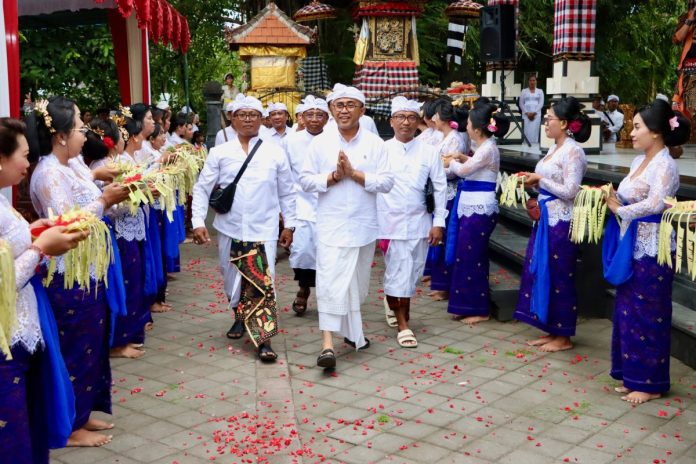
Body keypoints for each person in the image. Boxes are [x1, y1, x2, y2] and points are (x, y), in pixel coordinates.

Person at [27, 96, 130, 446]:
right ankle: (69, 425)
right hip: (68, 272)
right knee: (75, 345)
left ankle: (83, 413)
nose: (86, 136)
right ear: (60, 135)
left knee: (91, 344)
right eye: (80, 128)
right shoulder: (49, 174)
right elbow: (67, 223)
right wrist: (104, 201)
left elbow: (91, 198)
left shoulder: (72, 166)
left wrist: (106, 190)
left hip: (89, 268)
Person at [0, 117, 88, 462]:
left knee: (28, 428)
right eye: (22, 155)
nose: (27, 163)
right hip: (7, 337)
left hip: (22, 331)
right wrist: (40, 249)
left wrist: (34, 231)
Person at [191, 94, 297, 362]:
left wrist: (291, 224)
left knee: (263, 282)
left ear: (262, 119)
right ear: (232, 119)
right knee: (232, 280)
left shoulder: (275, 151)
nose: (248, 119)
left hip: (264, 229)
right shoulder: (219, 152)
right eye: (242, 114)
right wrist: (197, 222)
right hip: (230, 227)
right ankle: (239, 315)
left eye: (253, 114)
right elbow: (202, 188)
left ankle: (263, 339)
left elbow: (287, 192)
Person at [299, 84, 394, 369]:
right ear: (331, 110)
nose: (343, 110)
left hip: (364, 226)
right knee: (329, 284)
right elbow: (304, 180)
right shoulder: (319, 144)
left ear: (362, 110)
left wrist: (355, 174)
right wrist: (332, 177)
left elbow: (388, 182)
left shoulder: (376, 144)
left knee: (356, 285)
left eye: (350, 105)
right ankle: (327, 345)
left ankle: (354, 334)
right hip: (331, 226)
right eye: (338, 105)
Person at [604, 99, 690, 404]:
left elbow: (656, 204)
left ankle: (651, 382)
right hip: (632, 243)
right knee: (628, 312)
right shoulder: (636, 162)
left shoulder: (665, 164)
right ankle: (632, 374)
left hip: (653, 246)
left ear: (655, 132)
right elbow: (630, 196)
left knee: (649, 312)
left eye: (638, 126)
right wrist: (613, 198)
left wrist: (620, 209)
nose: (633, 130)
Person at [512, 97, 590, 352]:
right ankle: (549, 327)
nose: (545, 122)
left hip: (561, 221)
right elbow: (547, 180)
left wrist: (540, 180)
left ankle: (563, 335)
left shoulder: (573, 151)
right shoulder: (554, 148)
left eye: (550, 119)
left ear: (565, 123)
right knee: (541, 270)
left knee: (560, 274)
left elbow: (571, 190)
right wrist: (533, 181)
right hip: (545, 218)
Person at [377, 97, 446, 348]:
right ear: (391, 121)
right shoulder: (381, 150)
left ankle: (395, 303)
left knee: (413, 272)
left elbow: (440, 188)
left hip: (419, 222)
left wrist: (439, 222)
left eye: (411, 118)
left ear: (418, 122)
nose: (406, 123)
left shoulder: (429, 151)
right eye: (400, 118)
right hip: (389, 222)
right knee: (397, 270)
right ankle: (404, 323)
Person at [444, 102, 510, 325]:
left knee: (473, 257)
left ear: (478, 128)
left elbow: (464, 171)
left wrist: (452, 161)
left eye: (470, 123)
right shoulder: (483, 148)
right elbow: (473, 165)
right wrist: (462, 159)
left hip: (480, 207)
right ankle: (466, 304)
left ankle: (479, 308)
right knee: (467, 256)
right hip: (471, 205)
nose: (467, 127)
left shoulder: (489, 148)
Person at [285, 96, 329, 315]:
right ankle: (303, 289)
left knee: (328, 252)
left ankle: (328, 296)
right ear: (301, 117)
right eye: (309, 114)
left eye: (319, 114)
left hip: (329, 203)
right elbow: (284, 176)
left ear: (326, 118)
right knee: (302, 251)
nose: (314, 119)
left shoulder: (335, 139)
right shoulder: (290, 141)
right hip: (300, 203)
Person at [425, 98, 469, 301]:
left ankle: (444, 285)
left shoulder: (455, 139)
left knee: (444, 238)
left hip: (449, 191)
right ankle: (438, 280)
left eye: (435, 114)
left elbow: (452, 171)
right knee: (437, 239)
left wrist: (435, 170)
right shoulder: (442, 136)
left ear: (440, 117)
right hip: (438, 190)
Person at [673, 5, 696, 118]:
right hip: (689, 71)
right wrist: (690, 19)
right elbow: (677, 38)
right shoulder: (685, 17)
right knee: (688, 111)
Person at [519, 75, 544, 144]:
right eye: (530, 80)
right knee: (526, 131)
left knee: (534, 131)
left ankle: (534, 145)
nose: (532, 82)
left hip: (536, 115)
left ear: (536, 81)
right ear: (528, 81)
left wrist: (534, 112)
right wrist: (527, 113)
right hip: (526, 115)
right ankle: (525, 145)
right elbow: (521, 103)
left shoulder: (540, 91)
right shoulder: (524, 91)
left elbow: (541, 103)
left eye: (534, 80)